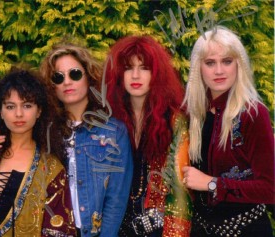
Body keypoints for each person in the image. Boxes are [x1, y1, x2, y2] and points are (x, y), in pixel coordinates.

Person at [182, 26, 275, 237]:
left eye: (227, 61)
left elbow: (270, 188)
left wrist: (212, 183)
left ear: (238, 64)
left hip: (247, 230)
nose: (219, 71)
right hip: (201, 230)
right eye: (210, 63)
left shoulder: (253, 114)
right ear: (199, 68)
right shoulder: (192, 113)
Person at [40, 43, 133, 237]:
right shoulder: (43, 131)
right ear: (52, 86)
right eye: (58, 77)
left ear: (88, 77)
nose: (67, 82)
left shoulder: (114, 132)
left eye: (74, 74)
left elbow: (116, 198)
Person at [105, 35, 193, 237]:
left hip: (159, 231)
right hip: (116, 229)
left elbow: (180, 191)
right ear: (119, 74)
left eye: (144, 68)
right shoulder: (109, 121)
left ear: (157, 74)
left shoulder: (174, 121)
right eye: (128, 68)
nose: (135, 75)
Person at [0, 67, 76, 236]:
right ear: (0, 111)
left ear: (39, 111)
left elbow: (58, 230)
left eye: (27, 105)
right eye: (10, 106)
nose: (19, 114)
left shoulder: (51, 168)